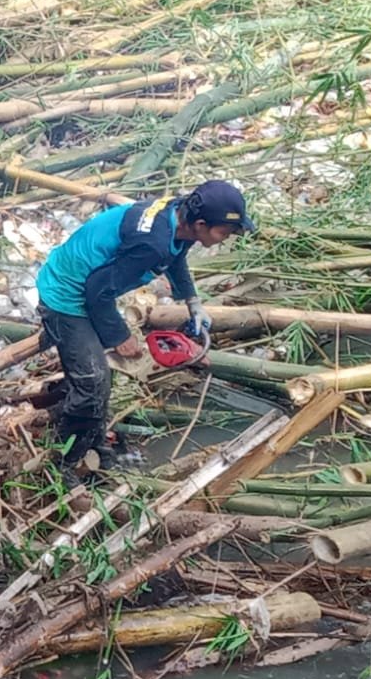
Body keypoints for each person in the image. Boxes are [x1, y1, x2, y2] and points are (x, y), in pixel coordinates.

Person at [35, 179, 255, 474]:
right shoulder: (152, 243)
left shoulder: (178, 215)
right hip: (67, 295)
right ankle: (62, 464)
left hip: (90, 290)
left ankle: (93, 442)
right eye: (224, 233)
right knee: (93, 383)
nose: (225, 239)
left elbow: (176, 257)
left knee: (98, 380)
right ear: (201, 224)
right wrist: (120, 336)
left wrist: (193, 302)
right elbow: (97, 291)